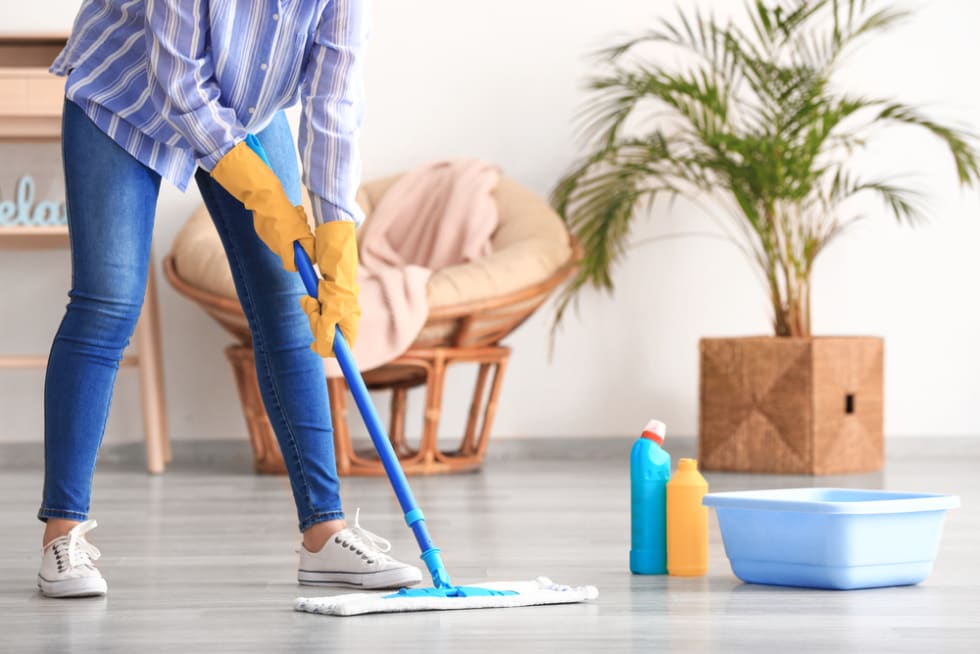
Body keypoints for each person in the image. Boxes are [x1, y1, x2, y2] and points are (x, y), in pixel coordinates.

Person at [36, 0, 421, 598]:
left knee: (287, 301)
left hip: (243, 105)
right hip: (128, 85)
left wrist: (338, 233)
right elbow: (177, 80)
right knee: (108, 300)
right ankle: (62, 537)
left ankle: (324, 534)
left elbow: (334, 105)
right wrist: (258, 190)